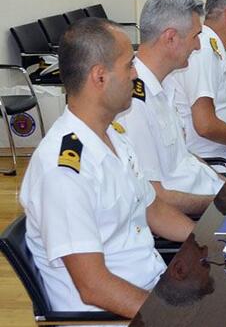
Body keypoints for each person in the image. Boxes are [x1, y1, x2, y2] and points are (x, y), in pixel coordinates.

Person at [19, 18, 194, 317]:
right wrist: (172, 317)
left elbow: (153, 210)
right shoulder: (62, 170)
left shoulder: (113, 135)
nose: (136, 74)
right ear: (99, 77)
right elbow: (94, 287)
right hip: (113, 315)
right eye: (129, 65)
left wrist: (213, 241)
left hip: (151, 289)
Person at [117, 0, 224, 216]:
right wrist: (222, 203)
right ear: (171, 38)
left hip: (211, 196)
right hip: (195, 214)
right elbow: (156, 198)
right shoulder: (133, 104)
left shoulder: (165, 84)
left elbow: (183, 157)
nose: (198, 46)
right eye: (195, 36)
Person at [165, 0, 226, 165]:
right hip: (211, 161)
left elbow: (222, 111)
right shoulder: (203, 50)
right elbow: (206, 126)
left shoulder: (213, 47)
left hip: (225, 153)